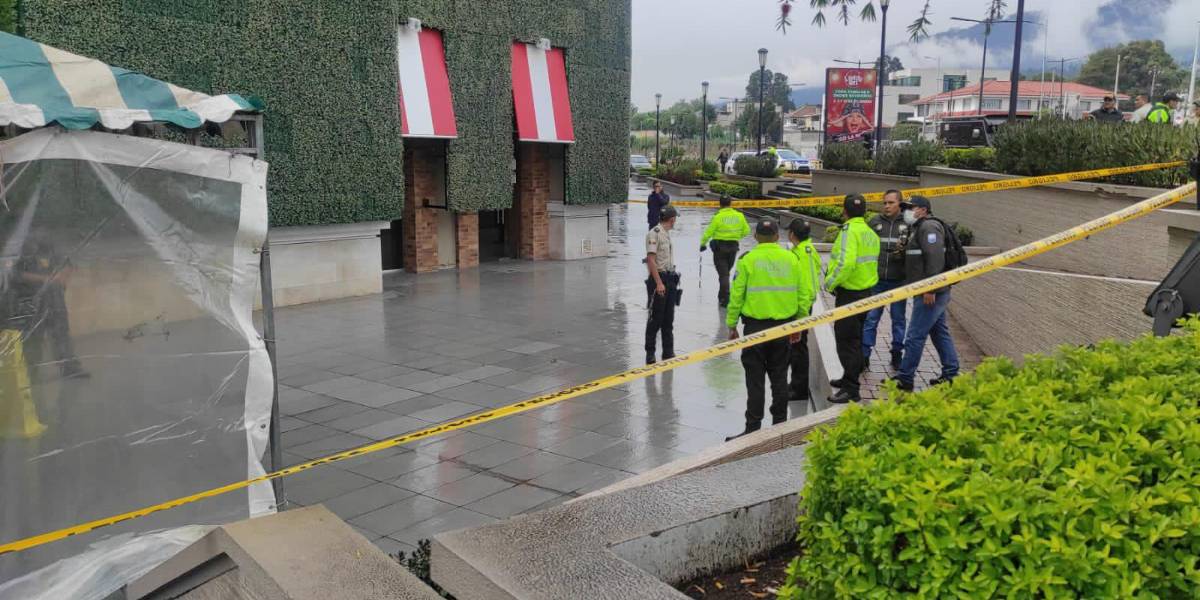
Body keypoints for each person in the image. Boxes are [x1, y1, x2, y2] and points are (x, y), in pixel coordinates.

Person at [724, 219, 803, 441]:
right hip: (784, 328)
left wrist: (732, 325)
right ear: (778, 236)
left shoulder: (747, 260)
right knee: (779, 378)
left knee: (755, 379)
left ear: (756, 237)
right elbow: (803, 293)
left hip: (755, 329)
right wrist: (800, 324)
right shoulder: (792, 259)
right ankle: (780, 426)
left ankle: (753, 429)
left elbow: (736, 295)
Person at [892, 196, 959, 392]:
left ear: (922, 209)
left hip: (931, 292)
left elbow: (935, 258)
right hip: (931, 290)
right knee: (939, 333)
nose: (906, 211)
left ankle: (905, 379)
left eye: (910, 208)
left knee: (915, 335)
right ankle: (951, 374)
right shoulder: (918, 228)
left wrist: (931, 288)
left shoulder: (929, 227)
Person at [824, 194, 880, 404]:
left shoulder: (849, 231)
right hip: (866, 293)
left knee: (847, 342)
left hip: (849, 295)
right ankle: (849, 378)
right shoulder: (869, 232)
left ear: (844, 211)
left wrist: (829, 282)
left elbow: (845, 264)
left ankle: (851, 389)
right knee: (855, 340)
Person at [14, 235, 89, 380]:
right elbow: (16, 275)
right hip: (31, 301)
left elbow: (67, 265)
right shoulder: (24, 250)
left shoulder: (52, 249)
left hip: (55, 301)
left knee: (61, 334)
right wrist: (45, 279)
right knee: (33, 336)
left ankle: (69, 368)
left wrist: (63, 277)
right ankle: (30, 371)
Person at [862, 189, 909, 370]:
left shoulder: (908, 223)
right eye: (885, 203)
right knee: (871, 319)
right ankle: (865, 355)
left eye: (891, 203)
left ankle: (897, 354)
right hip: (877, 280)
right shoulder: (874, 222)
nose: (887, 206)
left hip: (899, 281)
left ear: (900, 204)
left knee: (898, 319)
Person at [787, 219, 822, 403]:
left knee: (798, 348)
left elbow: (801, 286)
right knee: (798, 347)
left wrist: (799, 316)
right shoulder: (809, 250)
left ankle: (798, 388)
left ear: (792, 234)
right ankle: (796, 384)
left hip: (801, 306)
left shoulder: (798, 254)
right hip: (806, 302)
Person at [699, 194, 751, 307]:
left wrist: (702, 244)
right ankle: (721, 295)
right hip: (733, 248)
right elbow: (747, 231)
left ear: (720, 204)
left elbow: (709, 232)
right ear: (730, 204)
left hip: (720, 249)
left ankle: (725, 298)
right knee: (725, 273)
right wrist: (736, 236)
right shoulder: (739, 216)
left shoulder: (718, 217)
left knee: (724, 275)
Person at [645, 205, 679, 365]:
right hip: (659, 280)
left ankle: (668, 352)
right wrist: (658, 283)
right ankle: (650, 353)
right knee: (655, 319)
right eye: (675, 219)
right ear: (672, 220)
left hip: (670, 280)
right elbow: (651, 260)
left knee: (668, 319)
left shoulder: (666, 234)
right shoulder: (654, 233)